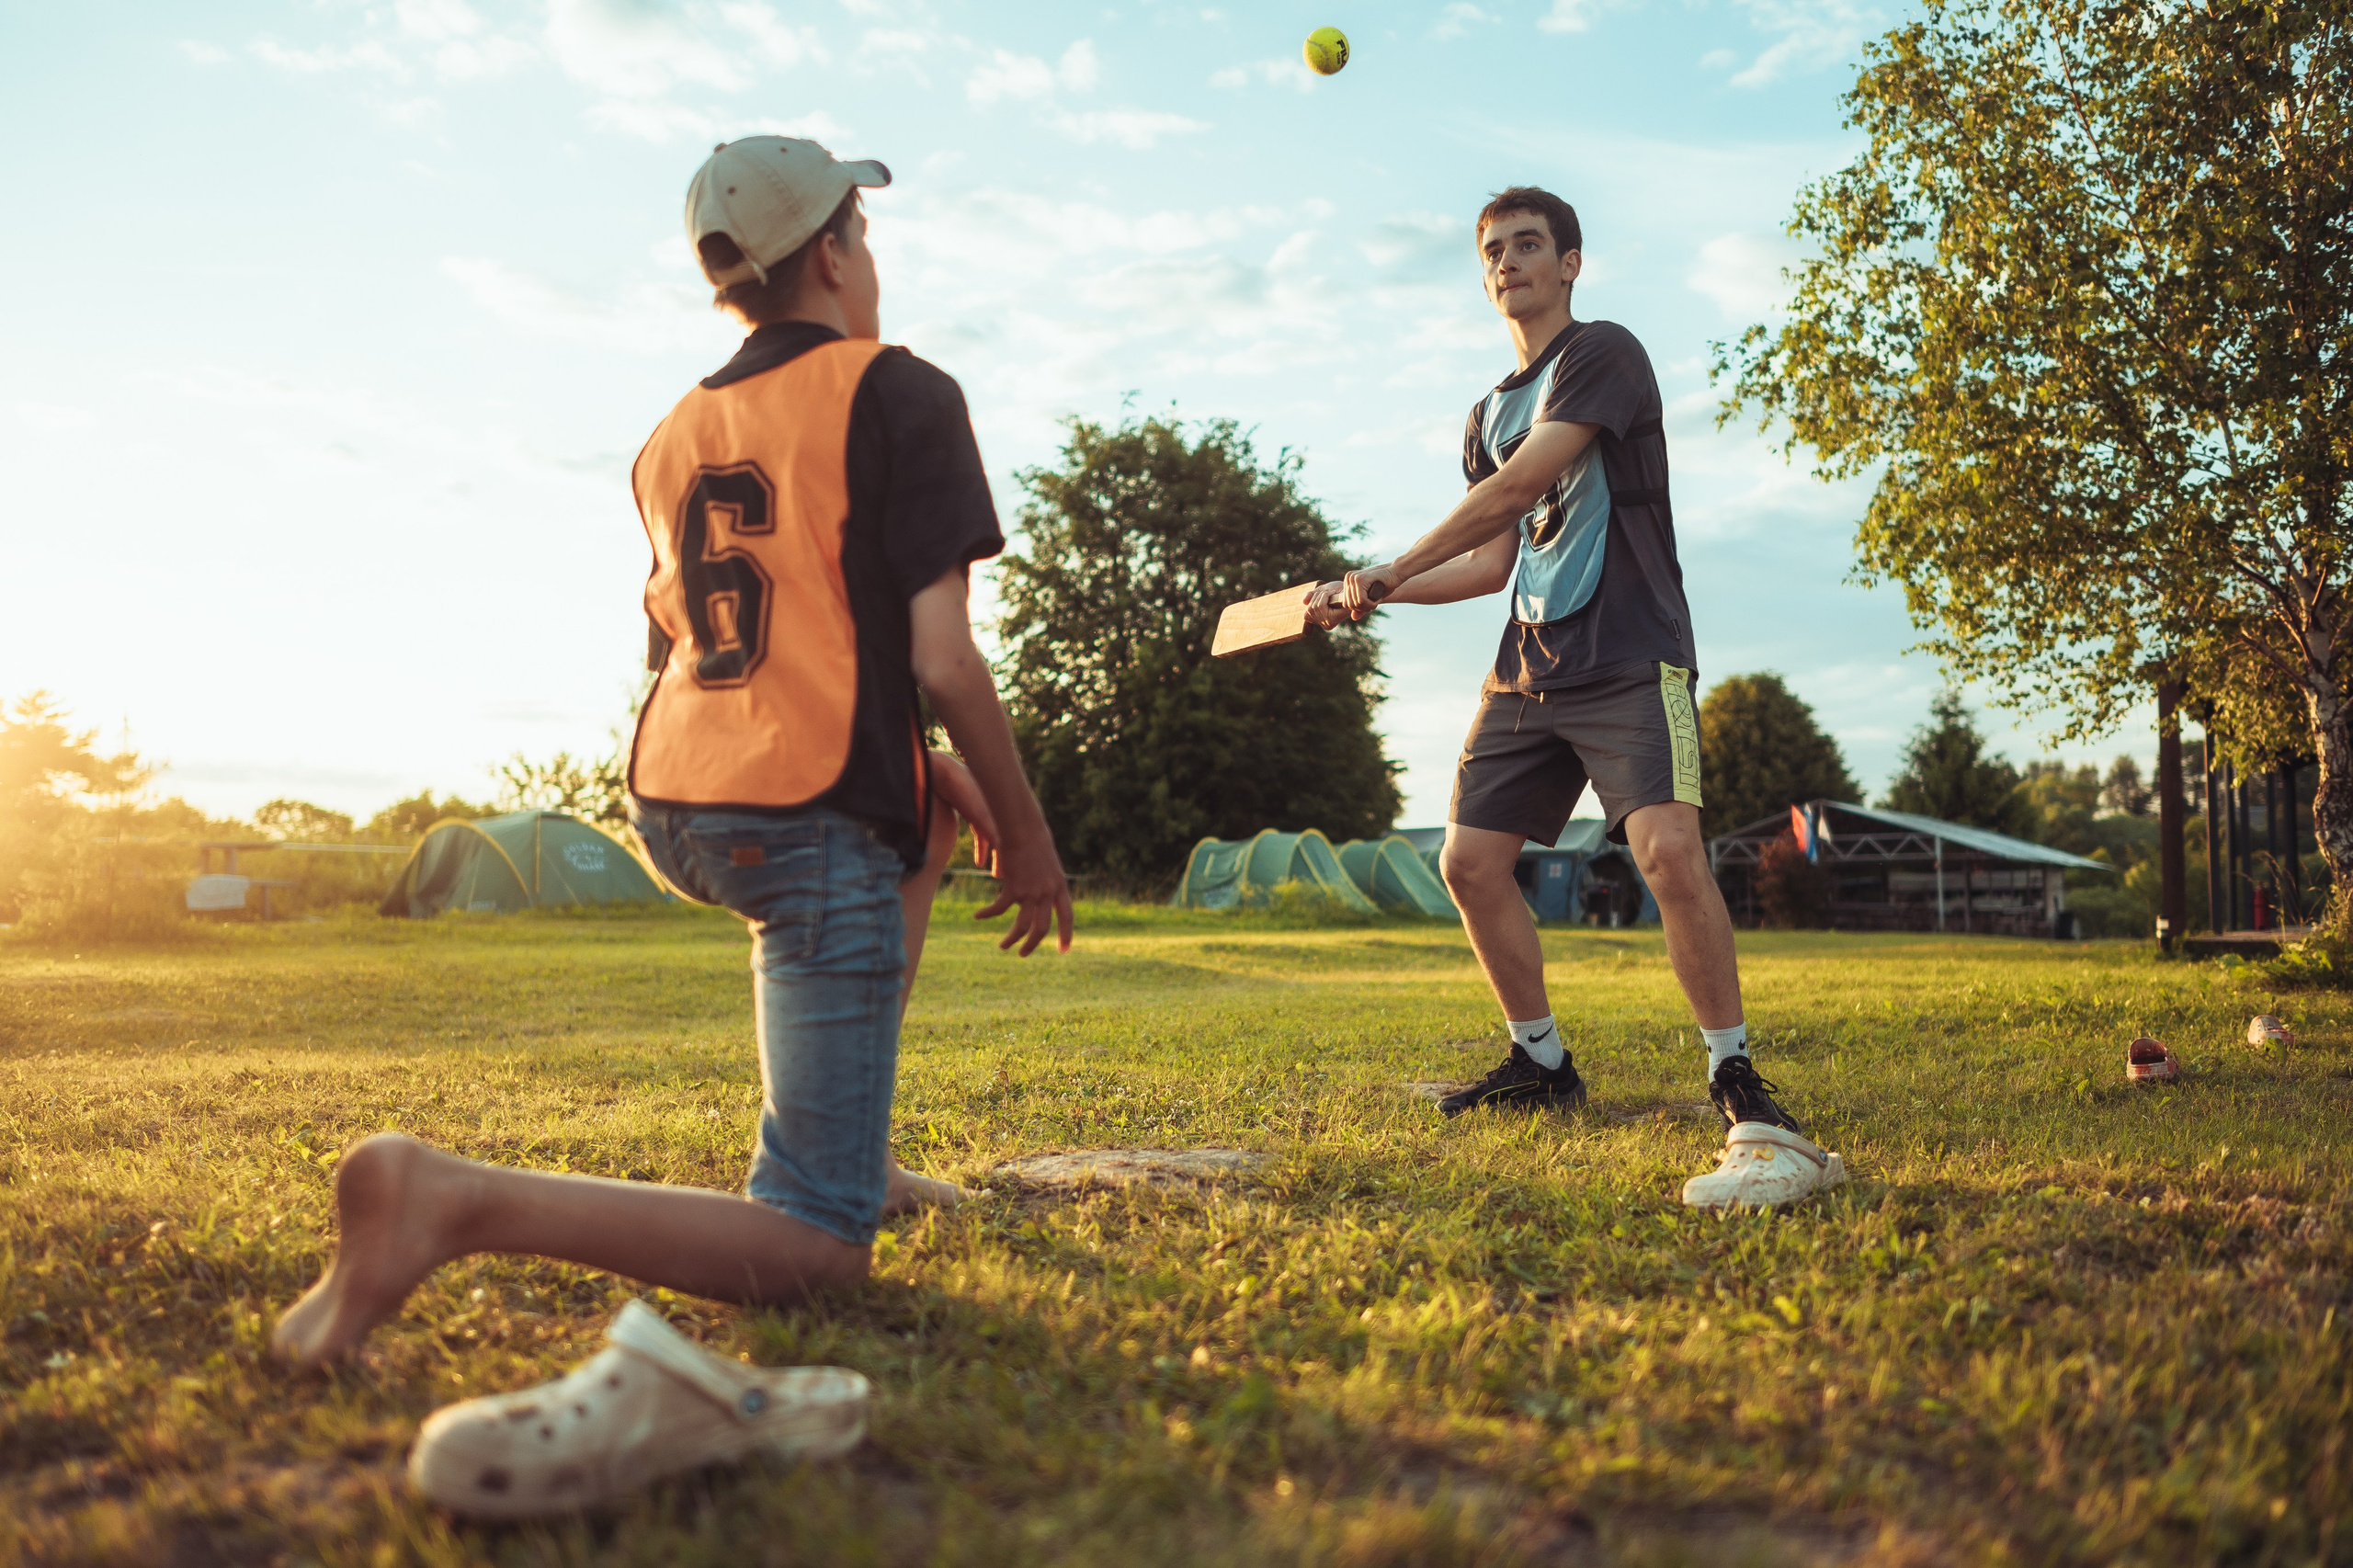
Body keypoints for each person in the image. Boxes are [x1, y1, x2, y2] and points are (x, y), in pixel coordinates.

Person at [276, 135, 1074, 1376]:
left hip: (679, 799)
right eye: (864, 232)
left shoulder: (673, 429)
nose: (872, 257)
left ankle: (853, 1143)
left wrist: (919, 774)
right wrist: (1027, 837)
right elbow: (944, 660)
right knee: (816, 1245)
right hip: (795, 815)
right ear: (831, 251)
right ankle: (450, 1198)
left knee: (913, 825)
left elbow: (741, 644)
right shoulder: (900, 389)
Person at [1309, 187, 1841, 1209]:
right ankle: (1541, 1063)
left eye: (1528, 245)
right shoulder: (1485, 413)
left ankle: (1733, 1071)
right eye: (1492, 251)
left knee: (1667, 852)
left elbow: (1513, 491)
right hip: (1528, 664)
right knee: (1468, 862)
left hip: (1633, 651)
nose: (1508, 262)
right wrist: (1375, 593)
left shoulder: (1604, 354)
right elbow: (1492, 562)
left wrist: (1387, 562)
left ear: (1570, 263)